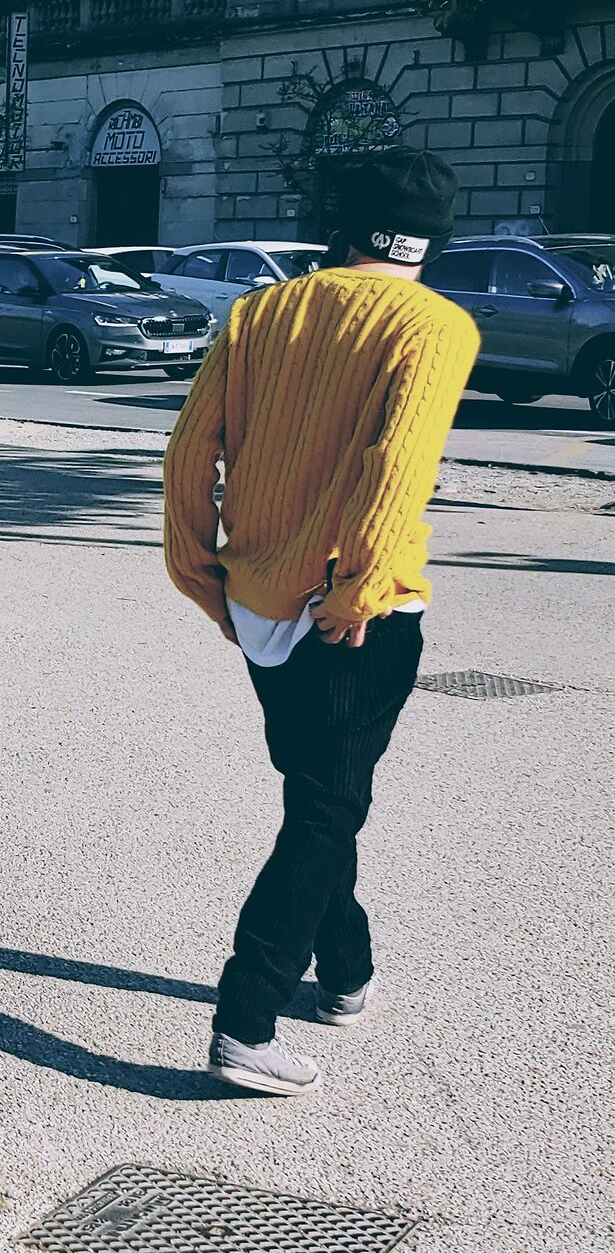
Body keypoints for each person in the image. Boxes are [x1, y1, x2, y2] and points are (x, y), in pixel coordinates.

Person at [161, 149, 478, 1096]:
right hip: (352, 609)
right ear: (430, 239)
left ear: (341, 227)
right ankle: (245, 1023)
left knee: (316, 797)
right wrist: (357, 590)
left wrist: (197, 570)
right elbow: (395, 469)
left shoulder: (261, 310)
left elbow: (189, 449)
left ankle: (343, 973)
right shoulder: (433, 324)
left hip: (257, 597)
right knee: (326, 809)